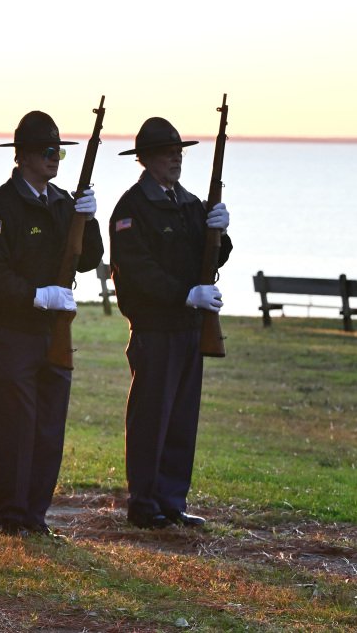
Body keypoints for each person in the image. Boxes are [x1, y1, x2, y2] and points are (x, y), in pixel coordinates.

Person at [0, 111, 103, 539]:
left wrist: (90, 218)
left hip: (51, 333)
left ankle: (35, 516)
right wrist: (36, 294)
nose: (55, 159)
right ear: (23, 156)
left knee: (48, 426)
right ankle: (8, 515)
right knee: (16, 425)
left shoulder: (63, 203)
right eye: (47, 152)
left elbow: (89, 258)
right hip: (11, 332)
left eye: (58, 151)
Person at [108, 117, 231, 530]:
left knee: (181, 417)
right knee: (152, 417)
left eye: (178, 152)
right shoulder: (132, 208)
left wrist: (221, 231)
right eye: (166, 153)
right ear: (145, 160)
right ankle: (144, 503)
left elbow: (210, 255)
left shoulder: (189, 203)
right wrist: (184, 293)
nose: (175, 159)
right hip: (155, 327)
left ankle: (172, 501)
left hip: (188, 328)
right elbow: (138, 270)